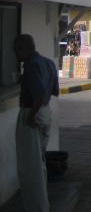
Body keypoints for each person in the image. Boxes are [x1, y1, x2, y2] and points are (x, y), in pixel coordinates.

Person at [14, 34, 59, 212]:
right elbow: (55, 91)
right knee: (38, 162)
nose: (17, 56)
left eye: (17, 51)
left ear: (25, 49)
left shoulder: (32, 66)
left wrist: (31, 116)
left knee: (30, 166)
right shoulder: (48, 63)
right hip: (46, 112)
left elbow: (39, 94)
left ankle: (37, 206)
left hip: (32, 111)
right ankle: (42, 203)